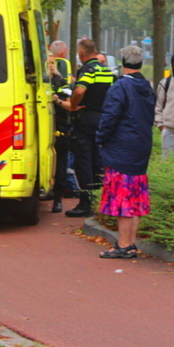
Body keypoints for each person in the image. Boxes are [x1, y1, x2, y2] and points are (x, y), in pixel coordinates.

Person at [95, 45, 156, 258]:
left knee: (122, 199)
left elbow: (109, 117)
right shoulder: (146, 87)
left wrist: (100, 139)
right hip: (141, 146)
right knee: (136, 197)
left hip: (121, 148)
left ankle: (122, 244)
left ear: (122, 62)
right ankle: (131, 243)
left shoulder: (120, 87)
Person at [58, 38, 114, 218]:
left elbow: (80, 91)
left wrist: (74, 105)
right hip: (102, 119)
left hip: (86, 120)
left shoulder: (87, 69)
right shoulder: (106, 69)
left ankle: (85, 203)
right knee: (98, 162)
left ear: (81, 54)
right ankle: (98, 200)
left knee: (83, 162)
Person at [48, 40, 73, 213]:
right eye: (47, 63)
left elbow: (69, 103)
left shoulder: (60, 82)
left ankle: (58, 199)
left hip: (60, 128)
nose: (50, 66)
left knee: (61, 164)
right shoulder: (38, 83)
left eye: (52, 63)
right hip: (43, 130)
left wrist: (58, 101)